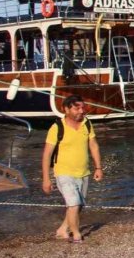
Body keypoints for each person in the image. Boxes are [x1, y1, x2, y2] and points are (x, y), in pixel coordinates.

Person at [41, 94, 103, 243]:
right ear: (66, 109)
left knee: (77, 205)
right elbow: (47, 154)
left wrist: (98, 168)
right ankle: (76, 234)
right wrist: (46, 179)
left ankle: (62, 230)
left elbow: (93, 146)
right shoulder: (57, 128)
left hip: (83, 172)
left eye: (83, 107)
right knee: (73, 203)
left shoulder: (87, 123)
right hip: (63, 172)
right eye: (77, 108)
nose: (81, 111)